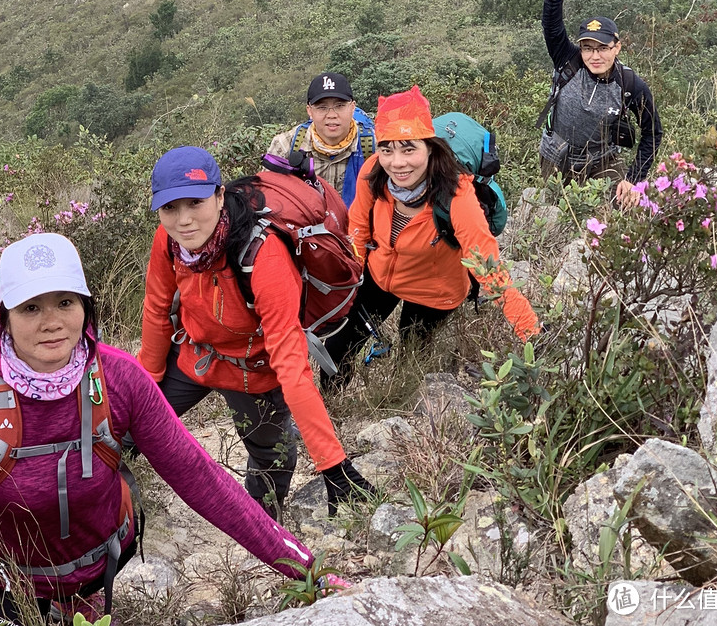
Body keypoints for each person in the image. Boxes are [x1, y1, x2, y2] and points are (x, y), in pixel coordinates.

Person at [0, 232, 321, 626]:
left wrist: (308, 572)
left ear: (84, 305)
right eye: (31, 308)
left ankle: (76, 599)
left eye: (65, 302)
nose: (52, 323)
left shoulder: (119, 379)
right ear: (5, 317)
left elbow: (201, 478)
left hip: (98, 557)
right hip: (3, 576)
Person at [138, 146, 373, 518]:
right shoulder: (169, 242)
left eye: (195, 203)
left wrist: (333, 464)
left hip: (254, 369)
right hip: (196, 354)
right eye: (170, 208)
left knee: (271, 459)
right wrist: (145, 389)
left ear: (219, 196)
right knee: (126, 428)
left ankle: (262, 526)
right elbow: (155, 308)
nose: (183, 221)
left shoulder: (263, 256)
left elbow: (291, 364)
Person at [327, 86, 539, 380]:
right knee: (338, 348)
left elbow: (490, 269)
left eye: (409, 148)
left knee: (411, 357)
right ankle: (331, 410)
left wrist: (533, 334)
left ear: (430, 146)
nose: (397, 163)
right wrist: (348, 284)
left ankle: (399, 398)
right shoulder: (374, 172)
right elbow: (358, 229)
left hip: (434, 289)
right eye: (387, 149)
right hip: (379, 274)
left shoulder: (456, 194)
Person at [541, 0, 661, 207]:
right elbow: (552, 28)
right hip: (556, 156)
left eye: (603, 48)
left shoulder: (630, 85)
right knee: (554, 215)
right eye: (587, 48)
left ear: (617, 47)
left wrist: (634, 178)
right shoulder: (568, 61)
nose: (594, 56)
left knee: (619, 211)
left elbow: (652, 132)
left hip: (602, 160)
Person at [267, 72, 375, 207]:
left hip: (356, 226)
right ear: (309, 111)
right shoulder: (285, 146)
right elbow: (267, 199)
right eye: (322, 107)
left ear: (352, 107)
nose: (331, 115)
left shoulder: (372, 146)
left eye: (340, 106)